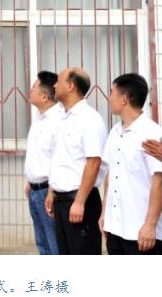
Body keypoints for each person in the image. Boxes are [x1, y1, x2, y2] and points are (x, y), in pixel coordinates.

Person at [45, 67, 107, 254]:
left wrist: (79, 202)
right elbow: (61, 159)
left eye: (58, 81)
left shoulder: (90, 119)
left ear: (71, 86)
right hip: (61, 202)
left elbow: (93, 162)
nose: (54, 86)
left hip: (80, 201)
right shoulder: (62, 118)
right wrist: (52, 192)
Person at [100, 73, 162, 255]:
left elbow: (159, 182)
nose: (109, 98)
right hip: (115, 228)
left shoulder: (151, 133)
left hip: (140, 232)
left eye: (112, 93)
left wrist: (150, 225)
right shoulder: (114, 132)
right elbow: (111, 177)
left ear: (124, 99)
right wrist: (105, 214)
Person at [24, 71, 61, 255]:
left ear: (45, 96)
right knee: (42, 243)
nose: (29, 91)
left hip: (48, 191)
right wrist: (30, 181)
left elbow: (59, 158)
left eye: (33, 88)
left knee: (54, 244)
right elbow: (39, 155)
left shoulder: (58, 120)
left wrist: (52, 191)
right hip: (35, 190)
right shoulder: (39, 119)